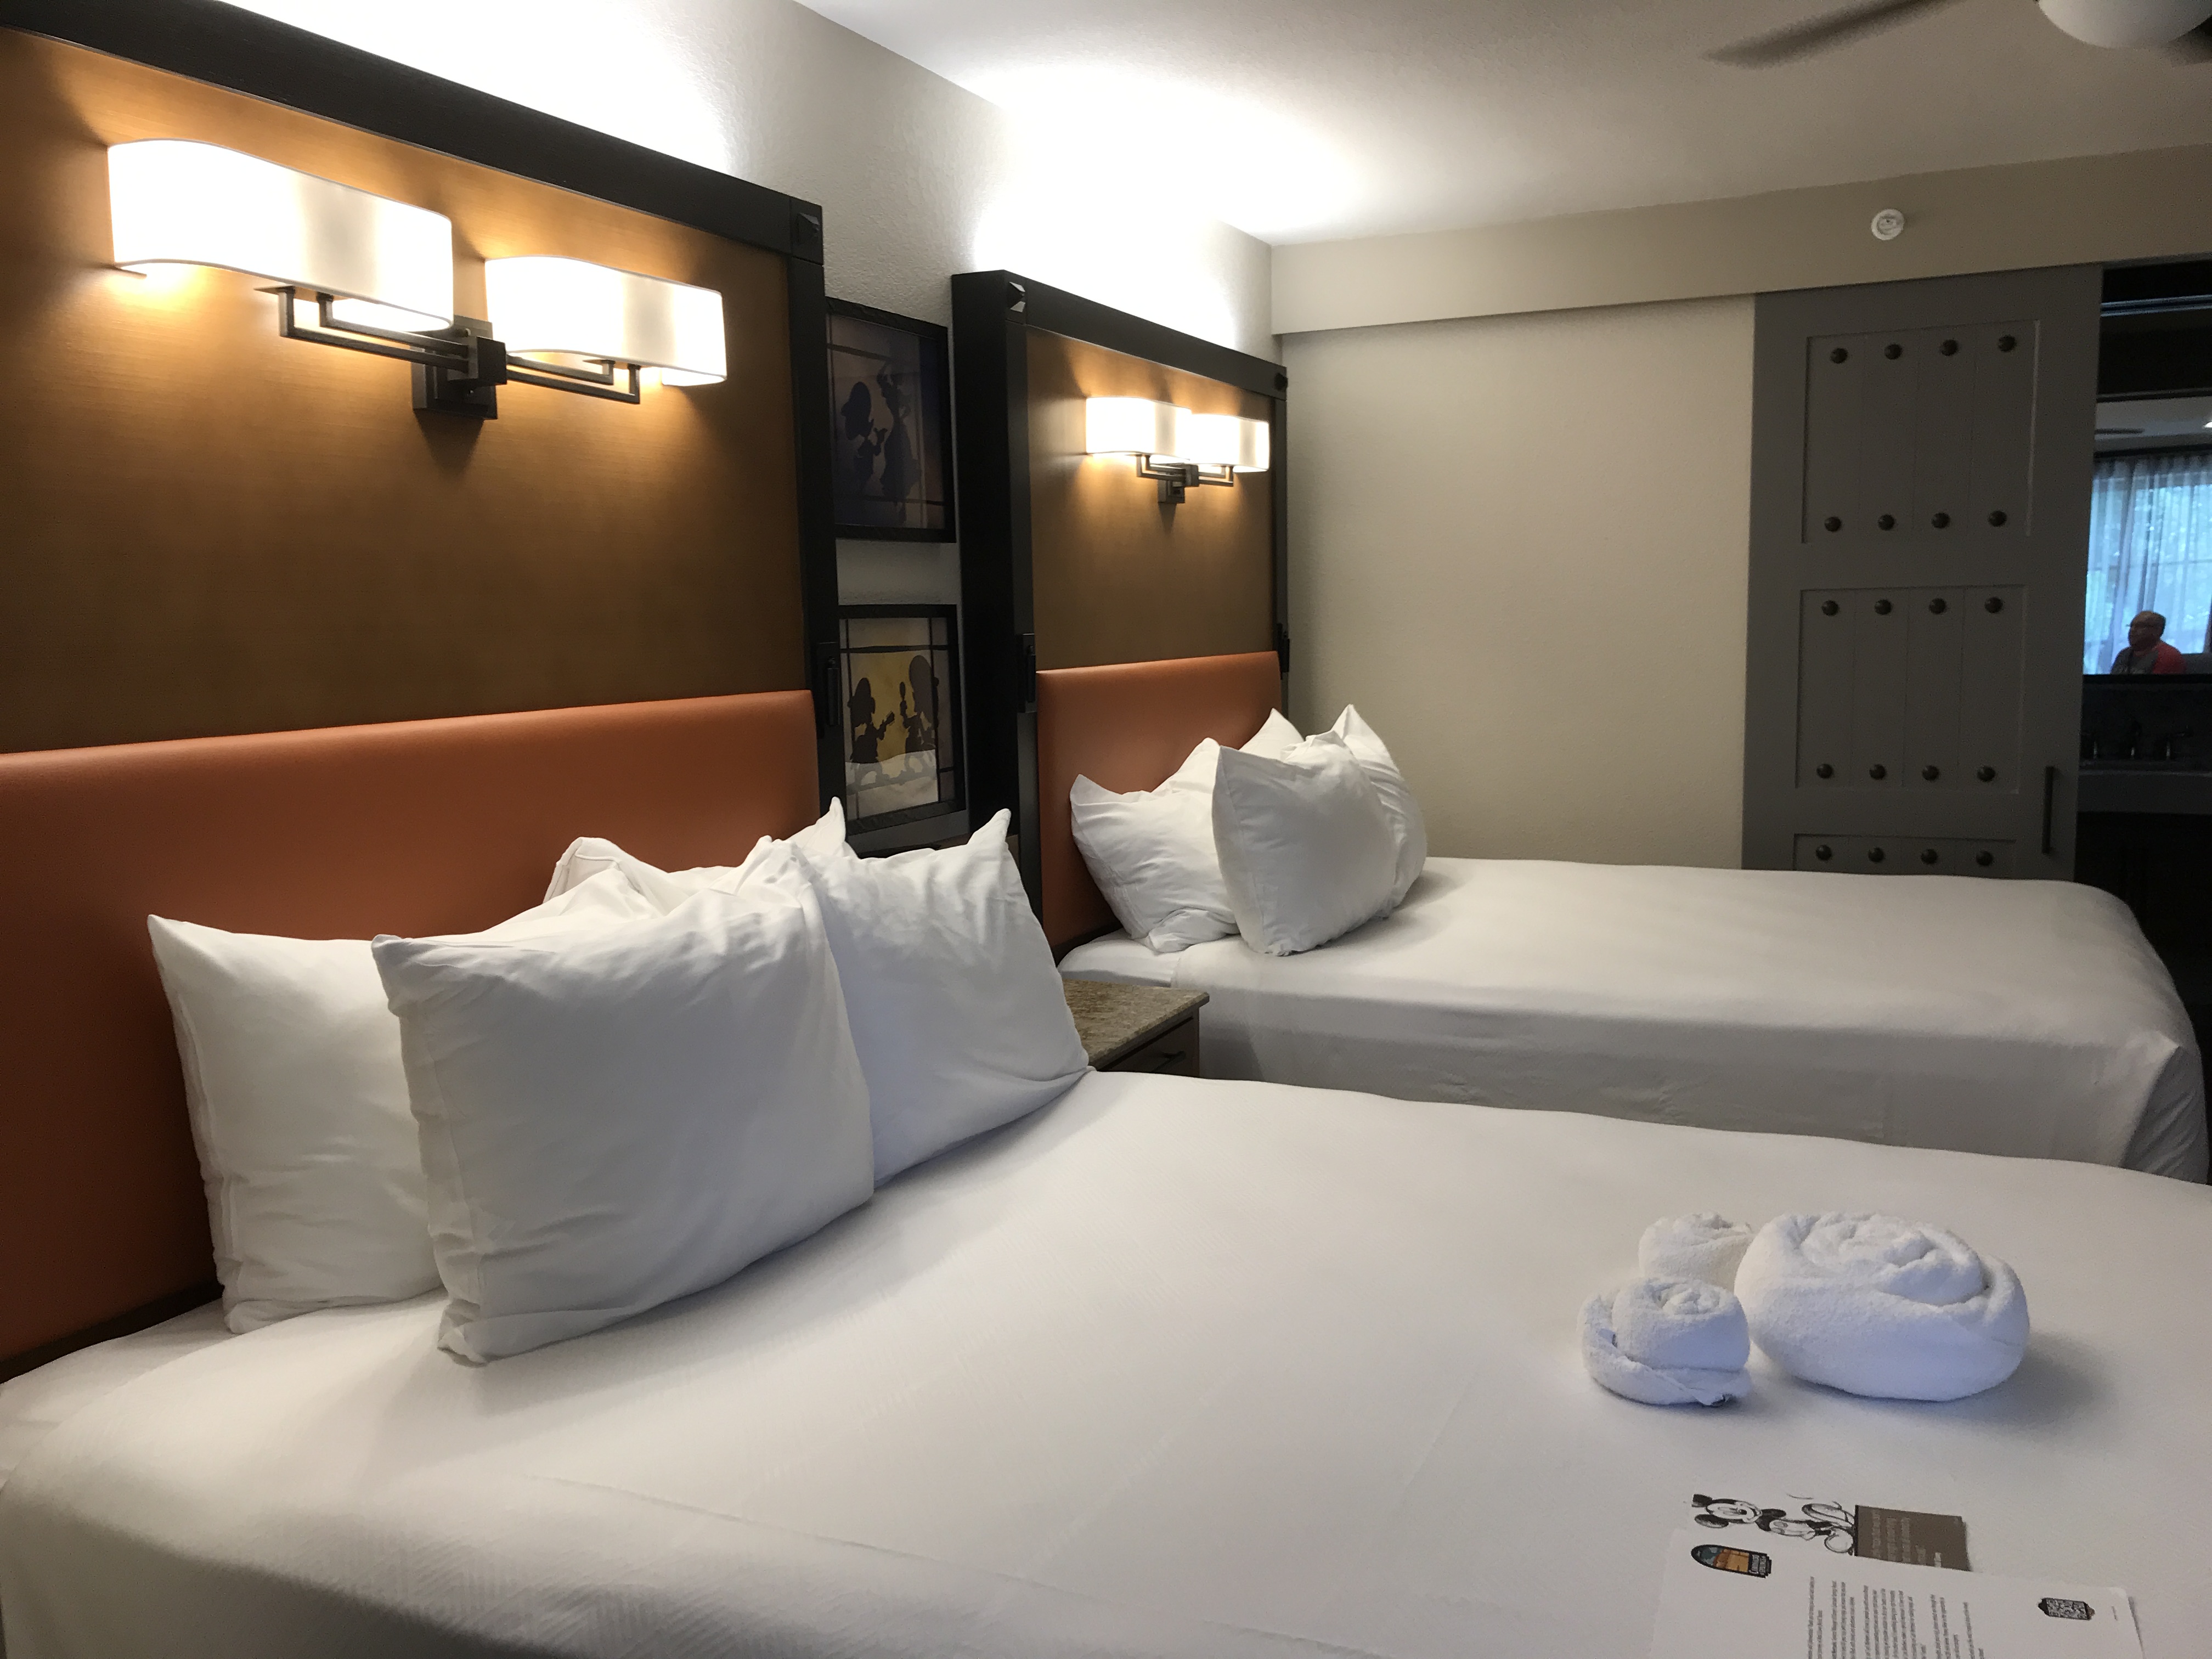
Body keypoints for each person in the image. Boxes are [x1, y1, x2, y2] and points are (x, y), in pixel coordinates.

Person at [2111, 610, 2186, 675]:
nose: (2133, 630)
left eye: (2140, 626)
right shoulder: (2124, 654)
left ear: (2157, 631)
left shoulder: (2169, 656)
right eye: (2131, 626)